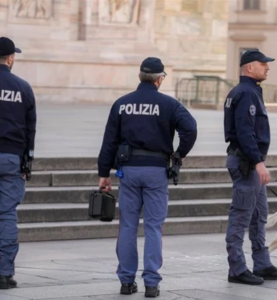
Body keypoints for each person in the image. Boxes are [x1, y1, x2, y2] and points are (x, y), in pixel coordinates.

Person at [97, 57, 197, 298]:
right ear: (160, 79)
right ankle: (151, 283)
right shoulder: (169, 104)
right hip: (156, 171)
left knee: (128, 226)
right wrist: (179, 153)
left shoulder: (122, 104)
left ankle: (126, 281)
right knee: (153, 226)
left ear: (140, 76)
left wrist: (103, 173)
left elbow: (109, 141)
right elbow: (190, 129)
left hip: (128, 171)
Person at [223, 49, 277, 285]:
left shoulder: (247, 91)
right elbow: (245, 132)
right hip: (247, 163)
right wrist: (259, 162)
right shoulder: (247, 93)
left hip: (250, 161)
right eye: (263, 64)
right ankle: (237, 269)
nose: (267, 68)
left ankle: (262, 264)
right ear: (250, 67)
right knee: (241, 216)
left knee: (259, 215)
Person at [0, 37, 37, 290]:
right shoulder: (23, 88)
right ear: (10, 58)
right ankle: (5, 274)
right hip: (12, 159)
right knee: (7, 215)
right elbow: (30, 130)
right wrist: (28, 162)